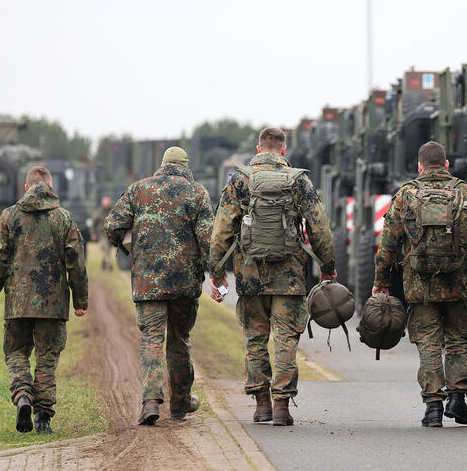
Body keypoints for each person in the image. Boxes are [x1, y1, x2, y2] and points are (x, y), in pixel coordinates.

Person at [208, 127, 336, 427]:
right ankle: (282, 406)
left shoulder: (240, 180)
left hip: (250, 276)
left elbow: (221, 231)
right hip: (289, 276)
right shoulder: (298, 180)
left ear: (258, 148)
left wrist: (216, 274)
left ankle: (262, 403)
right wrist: (328, 266)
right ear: (283, 149)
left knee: (255, 339)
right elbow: (319, 227)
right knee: (286, 341)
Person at [372, 141, 467, 427]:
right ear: (446, 165)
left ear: (419, 166)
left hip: (420, 287)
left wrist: (380, 282)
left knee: (429, 344)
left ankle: (433, 408)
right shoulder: (465, 192)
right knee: (457, 342)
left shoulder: (406, 194)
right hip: (459, 285)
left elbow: (388, 244)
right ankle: (458, 398)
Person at [105, 146, 214, 426]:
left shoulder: (138, 189)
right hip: (185, 285)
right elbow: (208, 239)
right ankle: (179, 404)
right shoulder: (197, 193)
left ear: (162, 164)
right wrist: (217, 273)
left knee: (152, 340)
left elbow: (112, 225)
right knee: (179, 341)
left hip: (147, 284)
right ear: (185, 166)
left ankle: (151, 401)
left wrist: (126, 244)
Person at [0, 165, 88, 434]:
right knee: (47, 357)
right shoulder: (65, 218)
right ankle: (42, 417)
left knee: (17, 353)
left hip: (17, 304)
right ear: (51, 187)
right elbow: (76, 264)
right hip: (53, 305)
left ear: (26, 187)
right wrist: (80, 300)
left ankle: (22, 395)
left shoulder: (8, 217)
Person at [91, 196, 113, 271]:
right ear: (102, 203)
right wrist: (93, 233)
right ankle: (109, 266)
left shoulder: (112, 212)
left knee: (107, 250)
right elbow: (93, 223)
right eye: (105, 202)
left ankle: (103, 265)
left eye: (108, 202)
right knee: (105, 249)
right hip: (101, 235)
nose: (107, 204)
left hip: (110, 235)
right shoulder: (98, 212)